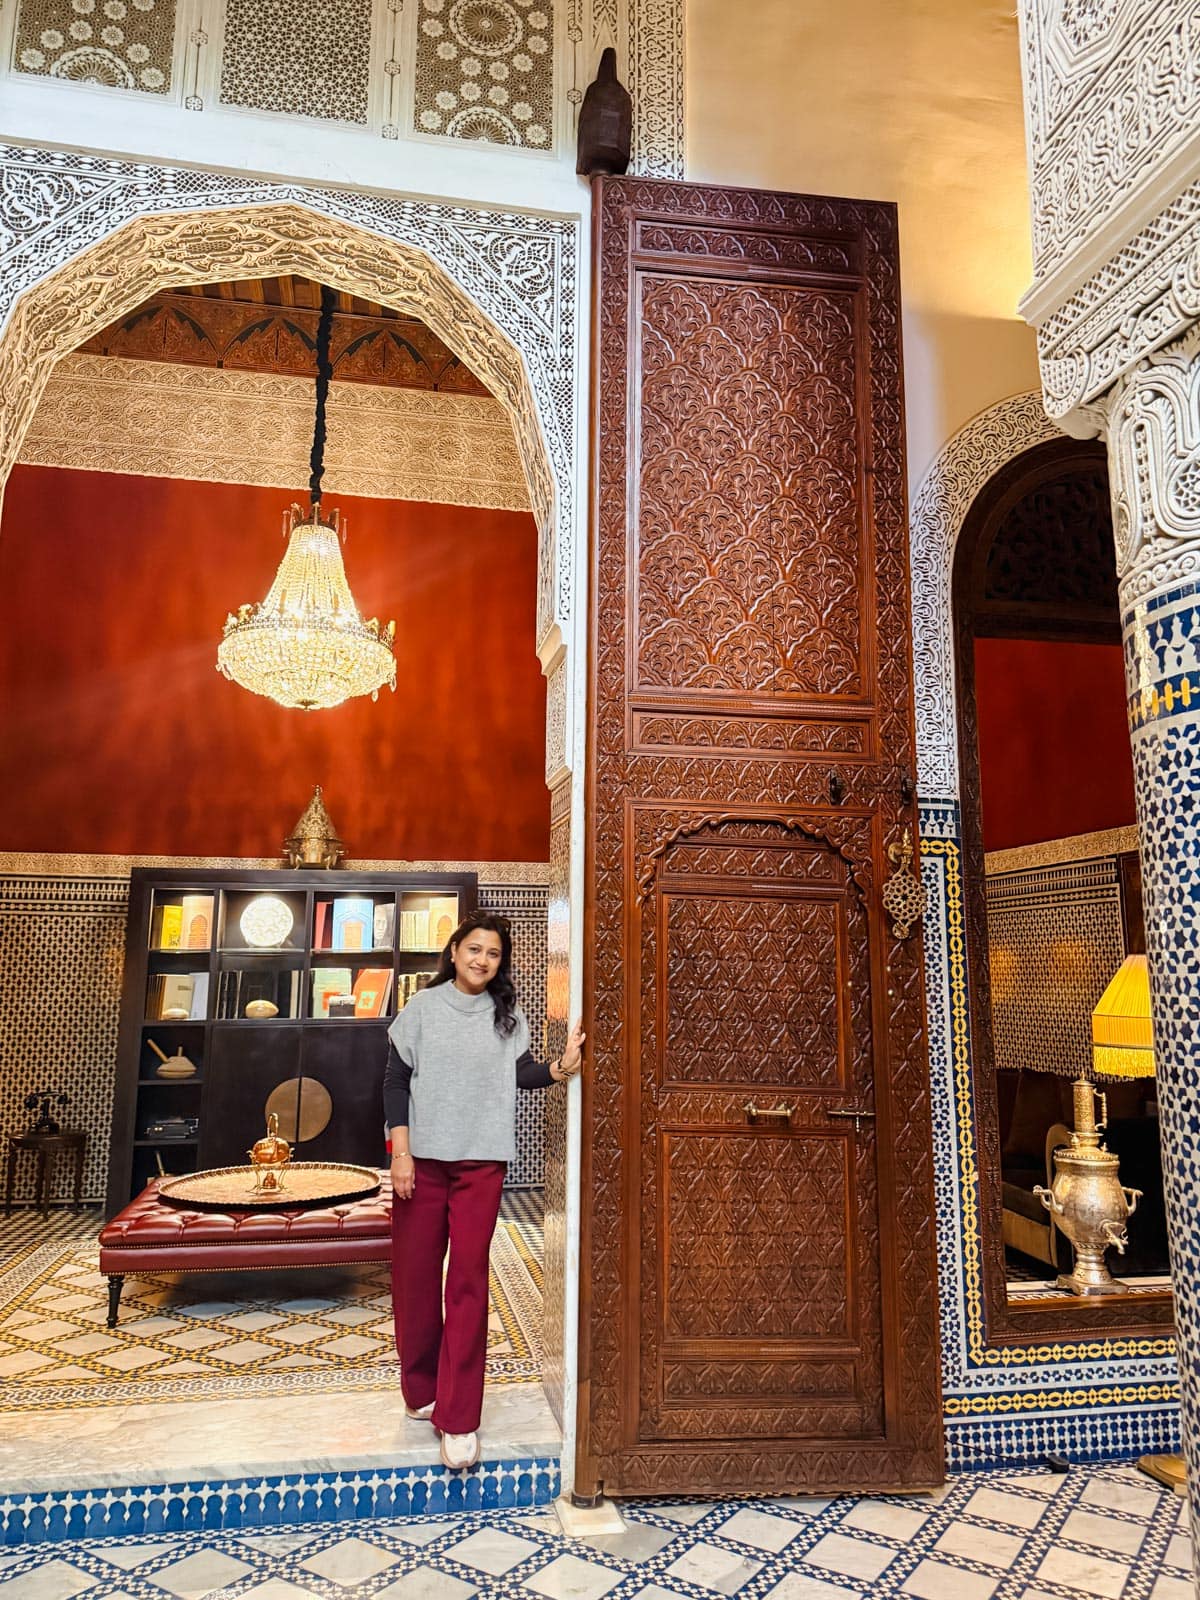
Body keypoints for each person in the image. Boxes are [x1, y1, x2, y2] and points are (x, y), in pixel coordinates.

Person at [384, 911, 585, 1470]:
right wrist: (400, 1154)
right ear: (454, 951)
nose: (482, 960)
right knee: (416, 1279)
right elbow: (395, 1082)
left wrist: (560, 1069)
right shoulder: (422, 1009)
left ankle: (460, 1418)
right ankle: (421, 1389)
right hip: (420, 1164)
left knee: (468, 1282)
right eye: (474, 949)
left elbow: (516, 1074)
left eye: (493, 954)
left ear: (501, 962)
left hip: (481, 1166)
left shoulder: (507, 1014)